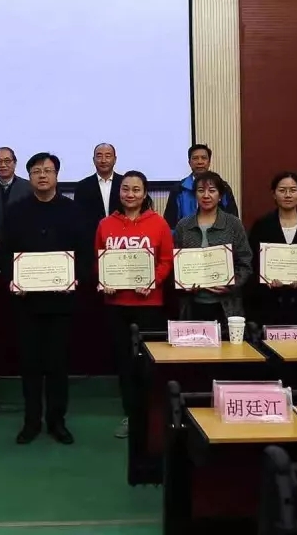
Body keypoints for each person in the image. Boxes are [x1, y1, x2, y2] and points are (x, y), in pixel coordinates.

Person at [0, 153, 85, 445]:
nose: (43, 176)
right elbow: (5, 253)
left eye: (48, 170)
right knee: (30, 366)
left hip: (62, 303)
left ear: (57, 175)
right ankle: (31, 422)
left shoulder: (73, 210)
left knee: (59, 366)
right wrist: (13, 280)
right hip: (27, 303)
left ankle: (57, 421)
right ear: (30, 177)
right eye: (37, 171)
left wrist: (75, 279)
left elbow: (84, 253)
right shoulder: (16, 211)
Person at [95, 170, 174, 439]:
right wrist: (103, 280)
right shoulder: (105, 224)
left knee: (147, 364)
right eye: (125, 189)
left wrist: (154, 280)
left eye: (136, 189)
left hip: (149, 304)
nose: (130, 194)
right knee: (124, 364)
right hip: (116, 305)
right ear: (119, 192)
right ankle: (131, 415)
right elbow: (98, 260)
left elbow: (166, 261)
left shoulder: (159, 223)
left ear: (145, 193)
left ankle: (151, 417)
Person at [247, 172, 297, 325]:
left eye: (293, 190)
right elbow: (253, 261)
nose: (288, 195)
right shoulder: (262, 225)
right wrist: (265, 280)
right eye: (282, 190)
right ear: (274, 194)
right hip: (269, 303)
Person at [174, 171, 253, 321]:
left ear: (220, 195)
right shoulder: (183, 226)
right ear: (195, 195)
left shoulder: (233, 224)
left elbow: (245, 262)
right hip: (193, 304)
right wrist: (183, 283)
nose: (206, 195)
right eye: (201, 190)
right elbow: (175, 265)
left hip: (226, 306)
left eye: (212, 190)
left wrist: (231, 284)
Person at [164, 143, 239, 229]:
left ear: (209, 162)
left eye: (204, 158)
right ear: (189, 163)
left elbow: (233, 222)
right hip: (186, 235)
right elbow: (170, 225)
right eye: (195, 158)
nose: (200, 162)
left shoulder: (222, 187)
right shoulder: (179, 189)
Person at [73, 143, 122, 250]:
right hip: (92, 242)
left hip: (121, 240)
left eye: (108, 156)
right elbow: (79, 219)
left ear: (115, 159)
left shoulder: (124, 184)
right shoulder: (82, 186)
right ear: (93, 160)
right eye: (99, 156)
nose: (103, 160)